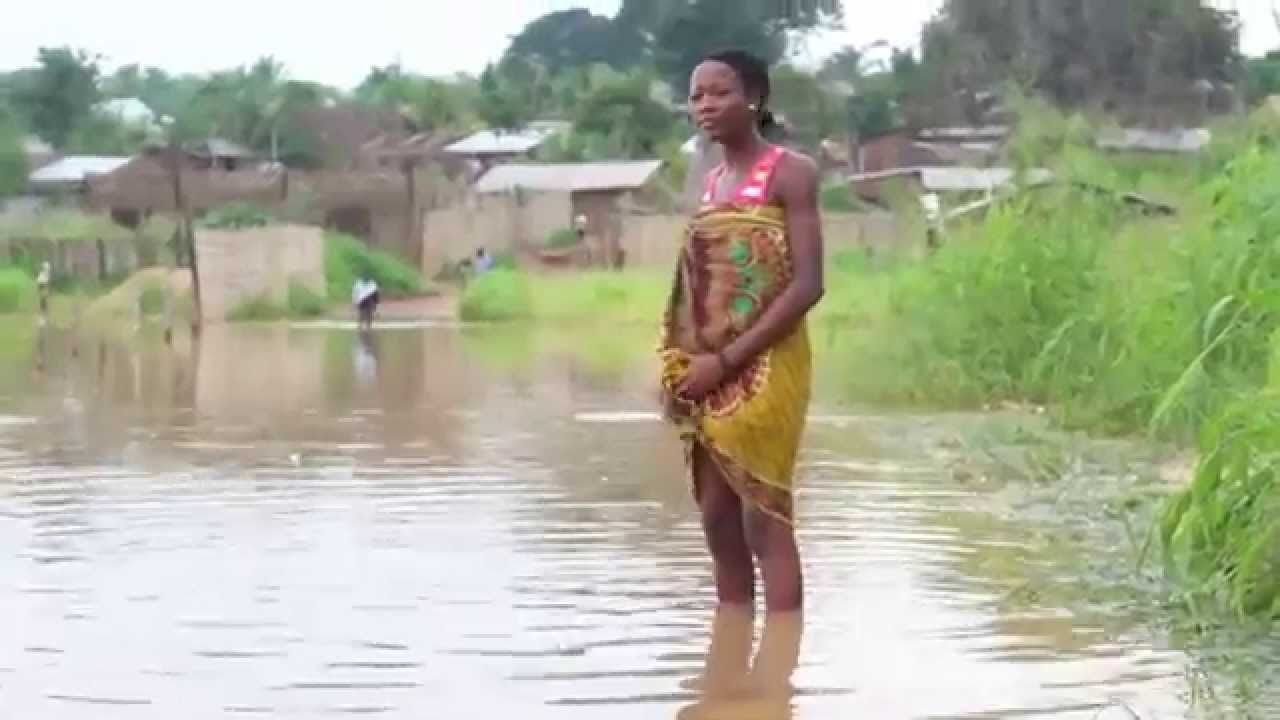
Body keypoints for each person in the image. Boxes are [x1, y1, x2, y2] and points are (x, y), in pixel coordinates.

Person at [658, 49, 824, 615]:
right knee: (716, 518)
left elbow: (807, 286)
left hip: (767, 362)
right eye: (696, 94)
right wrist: (676, 368)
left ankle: (779, 676)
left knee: (763, 516)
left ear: (754, 97)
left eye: (719, 91)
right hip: (705, 368)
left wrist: (726, 362)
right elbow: (694, 288)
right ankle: (731, 669)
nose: (705, 104)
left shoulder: (790, 172)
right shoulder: (707, 183)